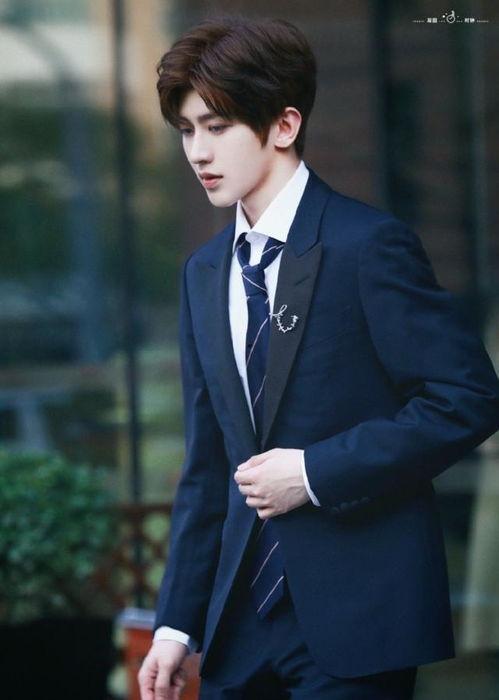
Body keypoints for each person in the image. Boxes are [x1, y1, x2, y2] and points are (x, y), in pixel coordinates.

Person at [138, 15, 499, 700]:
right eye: (186, 130)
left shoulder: (368, 245)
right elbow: (208, 462)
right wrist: (175, 625)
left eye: (217, 126)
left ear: (283, 125)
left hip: (358, 616)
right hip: (237, 628)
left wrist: (314, 472)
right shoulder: (204, 272)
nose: (198, 152)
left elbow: (468, 398)